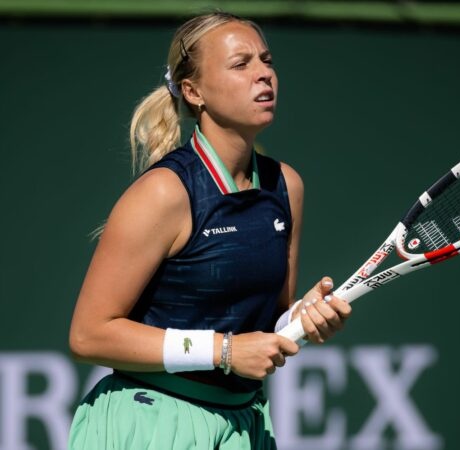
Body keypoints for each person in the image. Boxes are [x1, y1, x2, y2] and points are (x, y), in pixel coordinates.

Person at [67, 11, 352, 450]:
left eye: (266, 60)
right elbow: (89, 335)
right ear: (193, 91)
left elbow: (264, 323)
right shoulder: (165, 193)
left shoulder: (286, 186)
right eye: (241, 65)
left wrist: (302, 318)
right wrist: (223, 351)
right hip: (151, 423)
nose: (264, 75)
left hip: (244, 425)